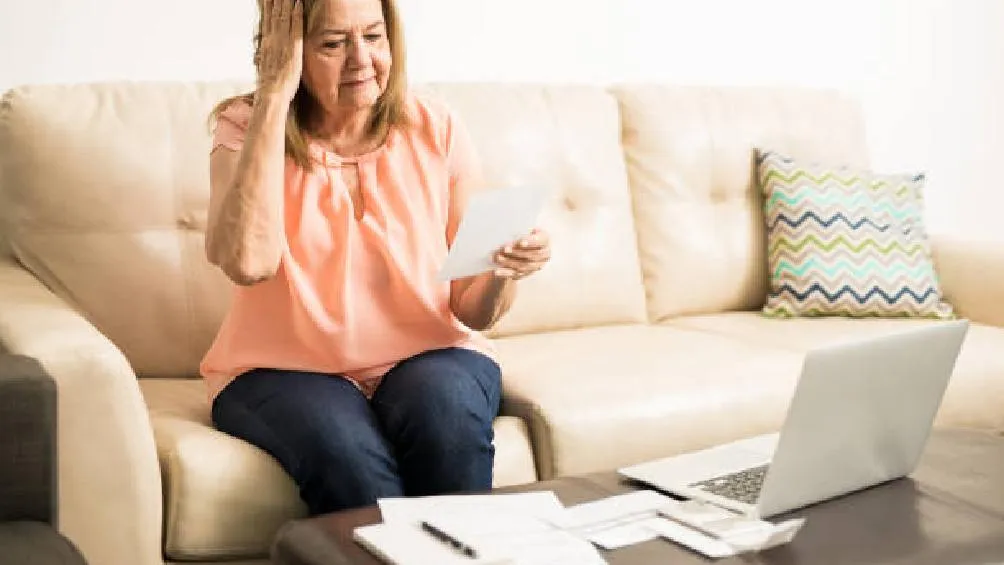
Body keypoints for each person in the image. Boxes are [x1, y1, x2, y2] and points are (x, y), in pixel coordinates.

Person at [200, 0, 551, 515]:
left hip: (429, 353)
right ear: (287, 50)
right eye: (333, 43)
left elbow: (471, 310)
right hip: (282, 371)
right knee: (347, 460)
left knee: (446, 420)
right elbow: (248, 262)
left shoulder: (436, 125)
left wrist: (503, 269)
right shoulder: (245, 127)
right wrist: (275, 92)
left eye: (373, 37)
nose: (360, 60)